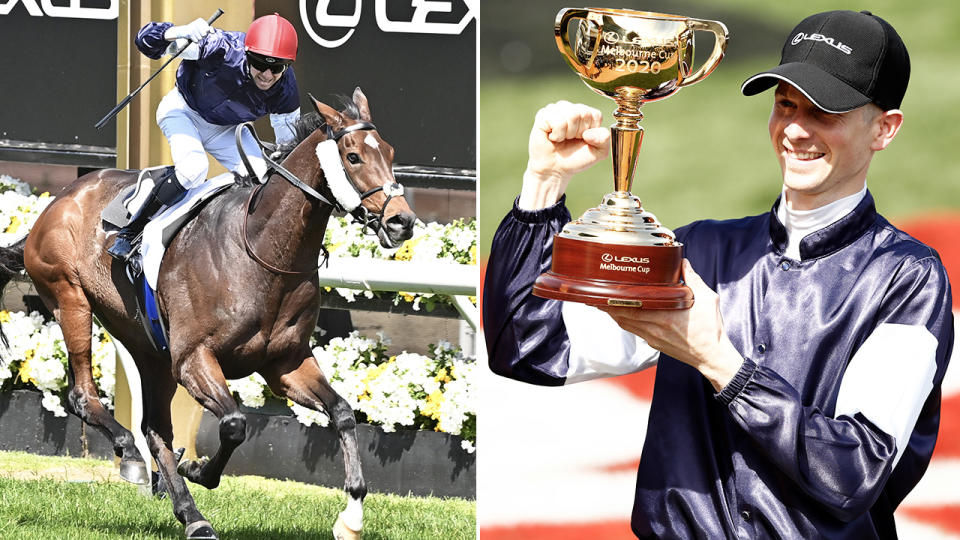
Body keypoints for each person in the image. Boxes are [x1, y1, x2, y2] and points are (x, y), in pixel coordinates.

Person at [483, 10, 954, 538]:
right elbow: (527, 346)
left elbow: (852, 472)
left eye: (824, 111)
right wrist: (543, 185)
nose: (795, 129)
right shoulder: (699, 250)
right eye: (785, 105)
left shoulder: (908, 279)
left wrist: (719, 362)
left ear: (885, 129)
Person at [108, 13, 301, 261]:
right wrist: (178, 31)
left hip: (226, 129)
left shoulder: (286, 89)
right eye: (259, 63)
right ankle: (131, 232)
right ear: (247, 53)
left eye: (276, 67)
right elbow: (144, 40)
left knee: (264, 179)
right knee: (193, 169)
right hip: (183, 111)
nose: (267, 74)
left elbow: (287, 147)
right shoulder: (219, 48)